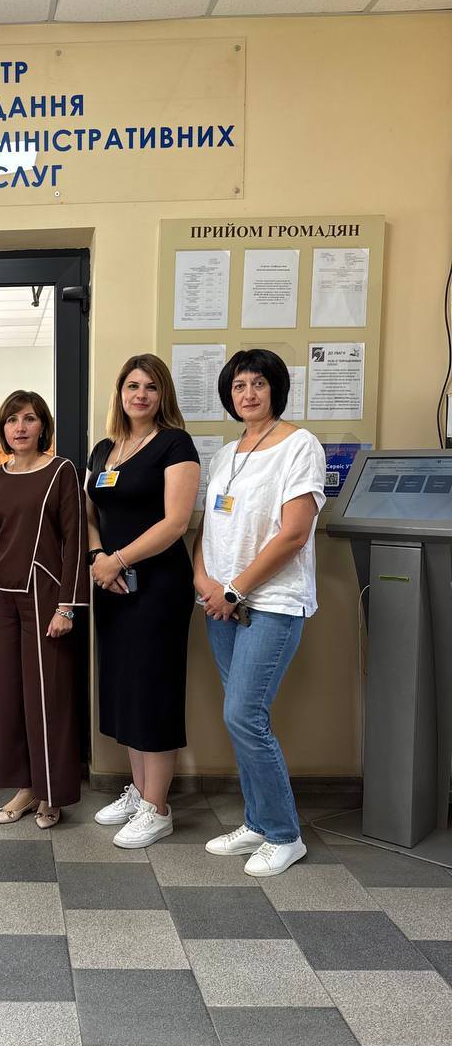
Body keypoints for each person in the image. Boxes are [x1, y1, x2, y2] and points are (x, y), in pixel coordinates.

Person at [193, 349, 326, 877]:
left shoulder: (300, 445)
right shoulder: (226, 454)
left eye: (258, 384)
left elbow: (294, 533)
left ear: (276, 389)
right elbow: (209, 528)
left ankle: (284, 834)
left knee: (243, 716)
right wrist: (204, 582)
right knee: (242, 716)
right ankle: (257, 822)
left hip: (270, 602)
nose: (247, 394)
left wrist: (235, 590)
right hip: (221, 605)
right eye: (238, 385)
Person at [86, 354, 200, 847]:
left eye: (150, 387)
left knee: (153, 690)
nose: (140, 395)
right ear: (120, 392)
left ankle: (158, 807)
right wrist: (98, 557)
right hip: (113, 586)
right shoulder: (103, 450)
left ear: (162, 395)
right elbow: (89, 514)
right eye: (132, 385)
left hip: (157, 588)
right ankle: (138, 791)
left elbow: (176, 522)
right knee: (125, 688)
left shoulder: (175, 444)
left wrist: (118, 560)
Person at [0, 390, 89, 828]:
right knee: (7, 696)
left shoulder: (61, 471)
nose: (20, 427)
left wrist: (67, 606)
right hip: (0, 598)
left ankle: (51, 793)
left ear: (43, 427)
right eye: (12, 419)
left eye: (29, 418)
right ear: (3, 428)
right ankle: (25, 788)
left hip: (46, 597)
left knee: (48, 696)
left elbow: (75, 541)